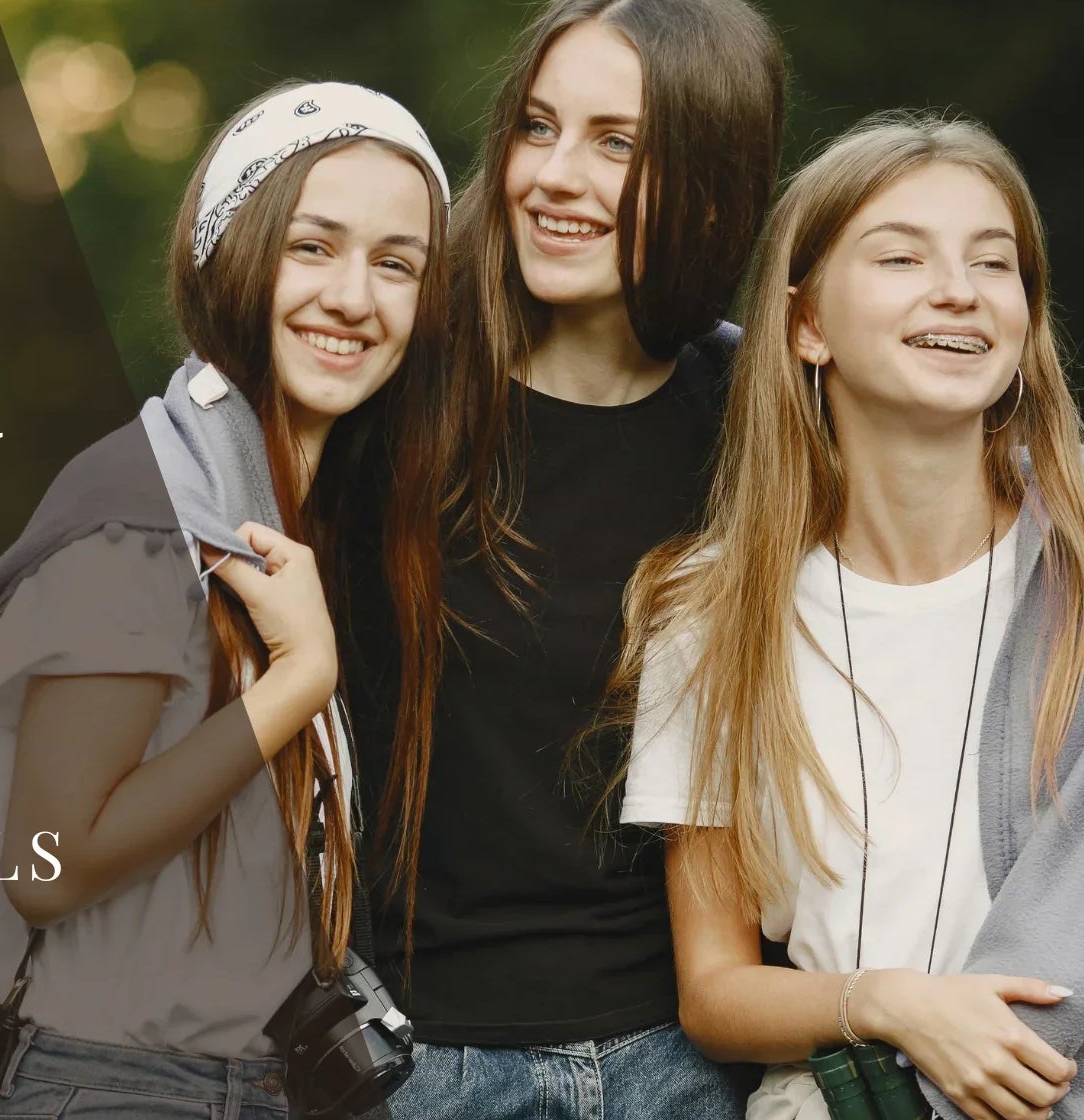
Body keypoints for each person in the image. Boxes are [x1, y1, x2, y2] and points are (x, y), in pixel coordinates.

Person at [617, 111, 1084, 1120]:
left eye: (992, 264)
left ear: (1022, 319)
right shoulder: (708, 610)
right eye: (900, 256)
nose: (956, 288)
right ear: (804, 324)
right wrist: (891, 1004)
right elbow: (715, 994)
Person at [0, 81, 458, 1118]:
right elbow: (48, 866)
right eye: (312, 247)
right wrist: (298, 681)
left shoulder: (264, 508)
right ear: (231, 252)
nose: (353, 296)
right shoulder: (141, 522)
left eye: (395, 264)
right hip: (123, 1089)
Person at [336, 1, 783, 1115]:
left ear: (715, 183)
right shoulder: (387, 383)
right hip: (415, 1064)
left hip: (680, 1065)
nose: (553, 175)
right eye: (537, 127)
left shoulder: (763, 421)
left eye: (615, 143)